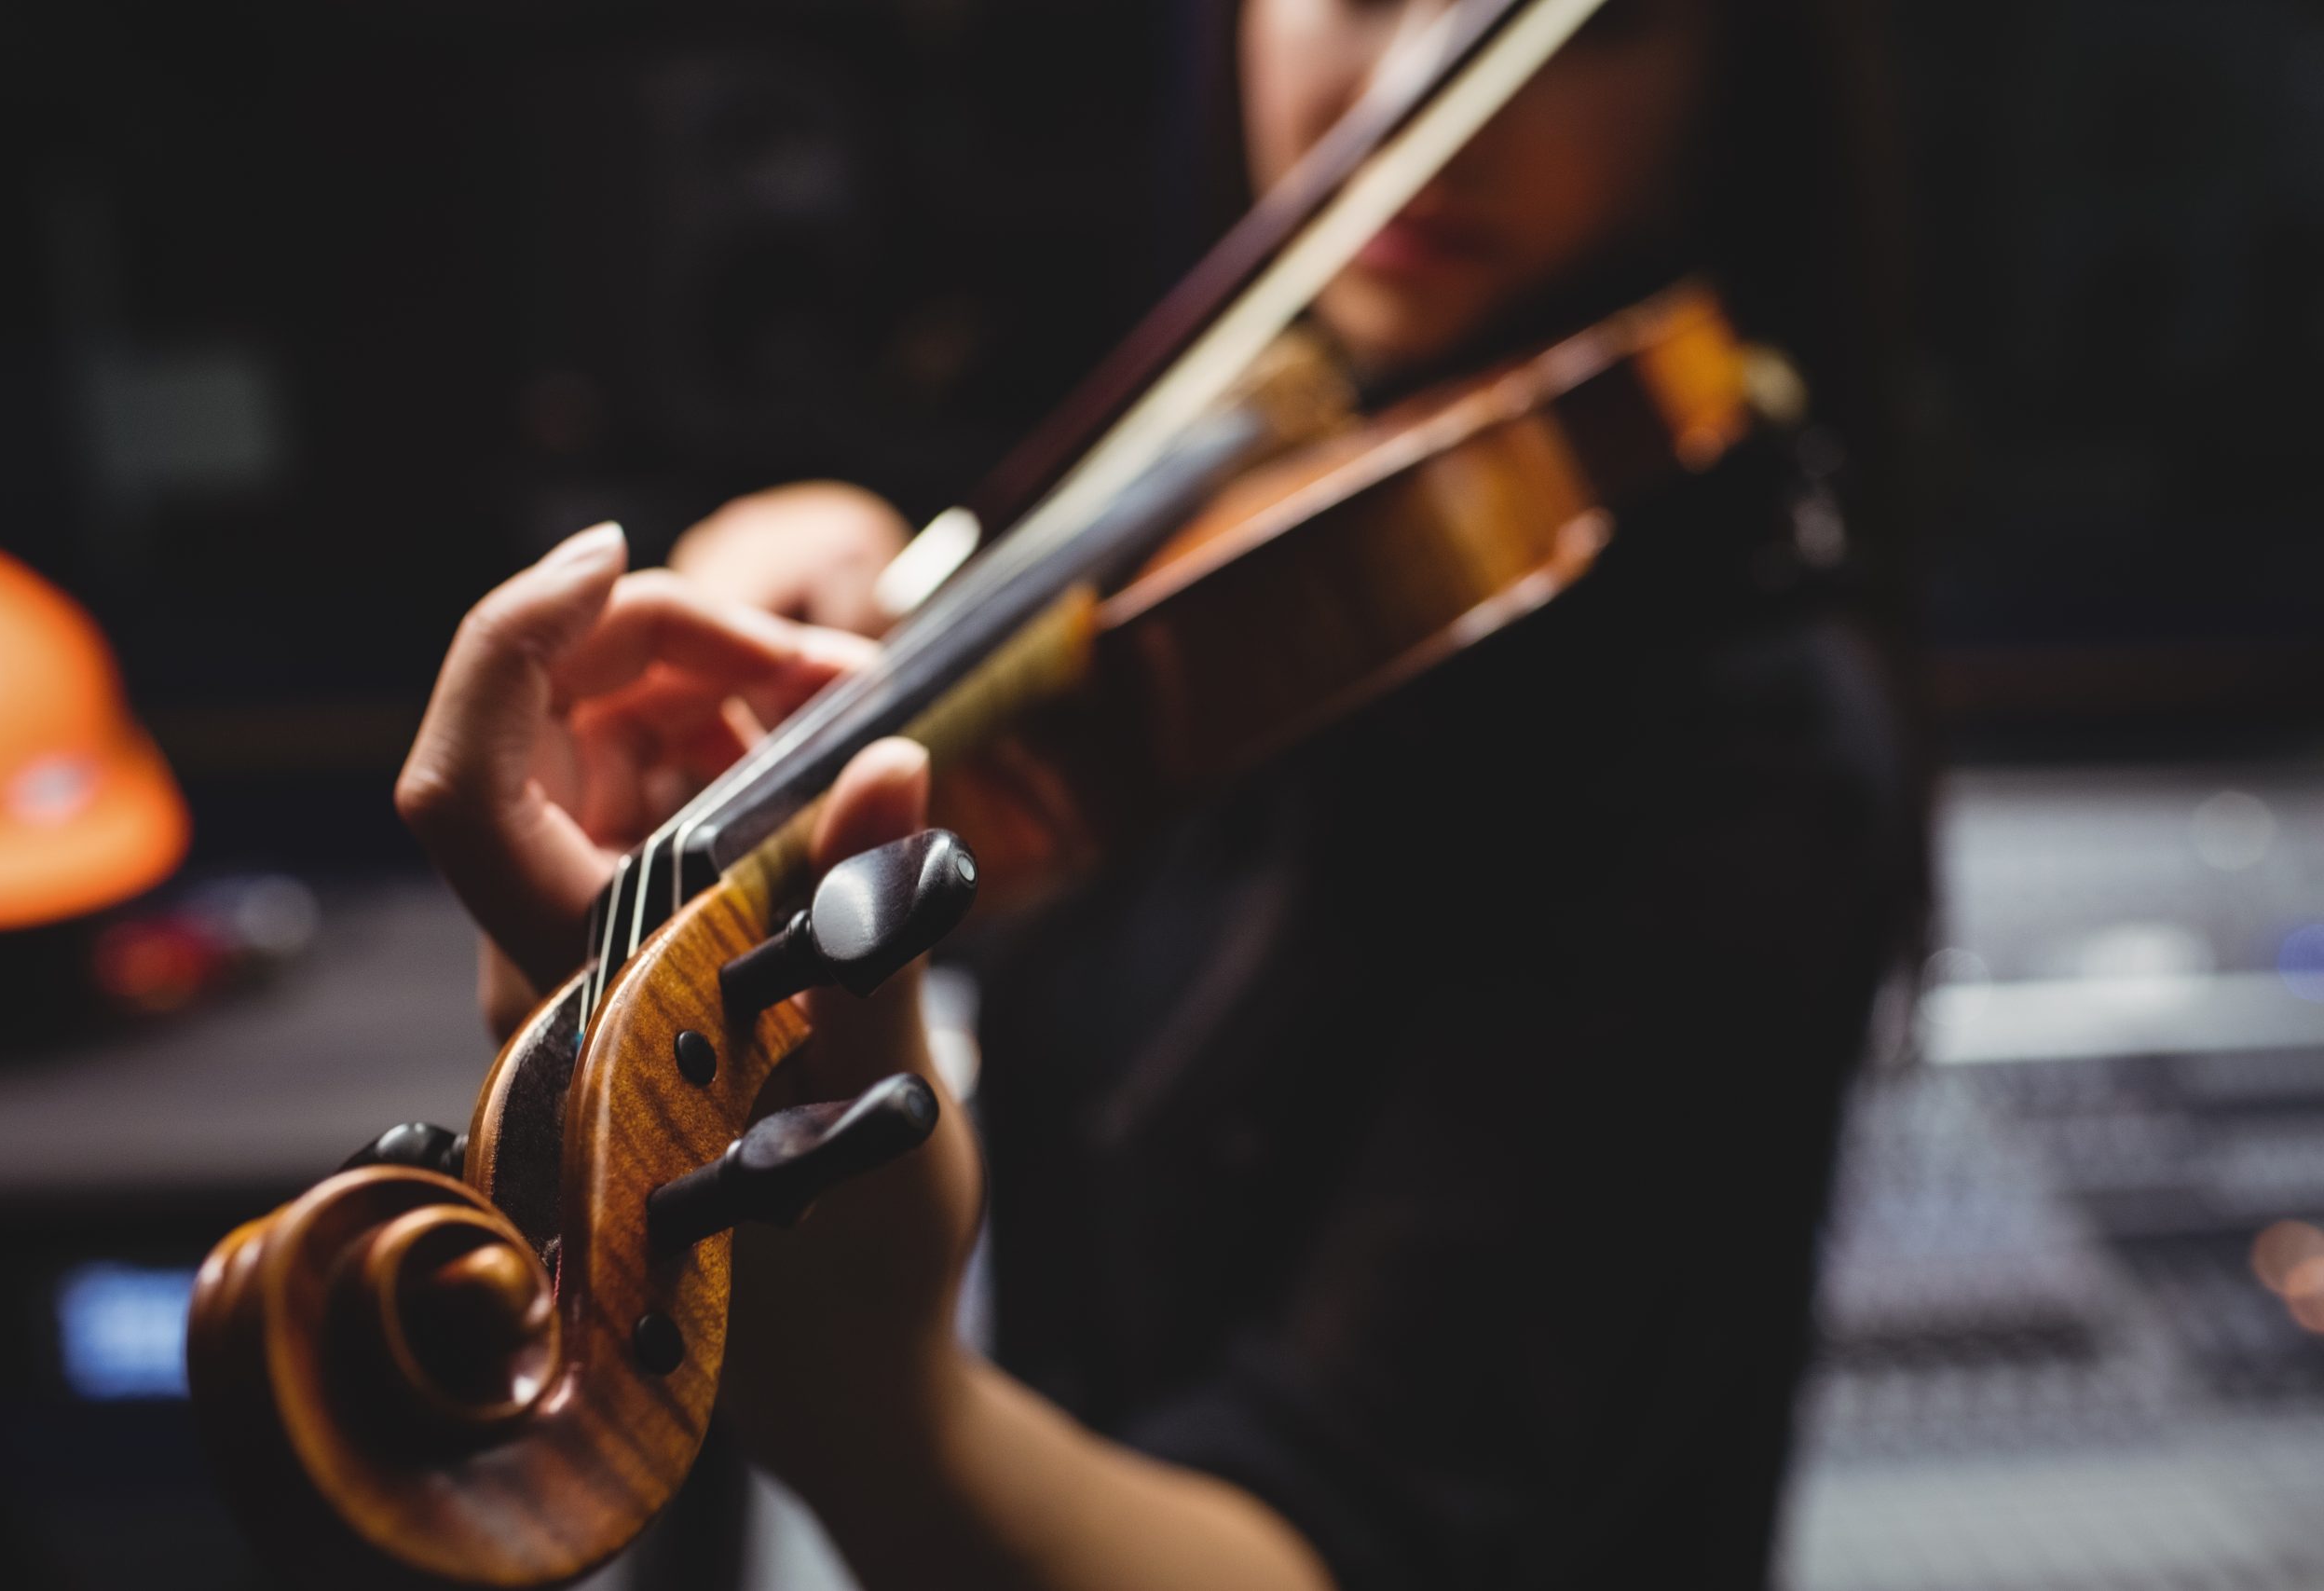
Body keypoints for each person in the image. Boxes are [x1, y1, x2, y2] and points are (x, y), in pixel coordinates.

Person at [394, 1, 1926, 1585]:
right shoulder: (1268, 448)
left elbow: (1338, 1536)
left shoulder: (1746, 754)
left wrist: (880, 1409)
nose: (1422, 91)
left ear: (1738, 78)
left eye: (1577, 25)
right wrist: (865, 603)